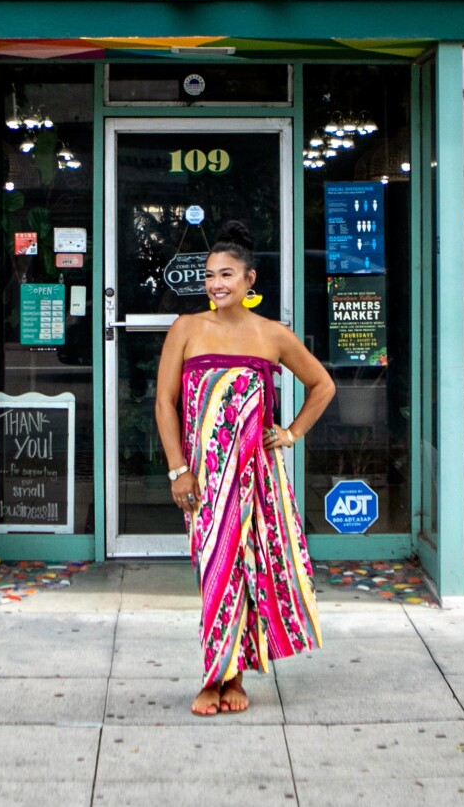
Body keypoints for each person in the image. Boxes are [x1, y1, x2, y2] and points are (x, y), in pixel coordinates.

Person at [154, 219, 335, 716]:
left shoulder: (273, 335)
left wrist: (291, 433)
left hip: (259, 481)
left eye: (227, 274)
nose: (216, 284)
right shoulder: (187, 329)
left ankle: (230, 678)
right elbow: (165, 405)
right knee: (217, 572)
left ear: (250, 279)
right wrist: (178, 469)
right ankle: (216, 675)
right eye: (210, 275)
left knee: (251, 575)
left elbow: (323, 386)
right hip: (206, 480)